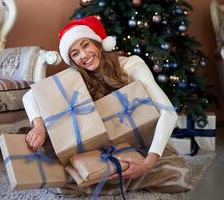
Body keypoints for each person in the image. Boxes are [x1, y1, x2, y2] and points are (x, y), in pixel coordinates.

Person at [22, 16, 191, 194]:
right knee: (61, 183)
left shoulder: (131, 64)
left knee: (180, 175)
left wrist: (147, 163)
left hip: (141, 144)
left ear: (98, 43)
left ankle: (114, 177)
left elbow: (168, 112)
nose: (84, 56)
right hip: (102, 149)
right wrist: (39, 125)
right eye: (75, 53)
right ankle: (117, 175)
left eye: (86, 45)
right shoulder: (76, 76)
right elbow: (29, 96)